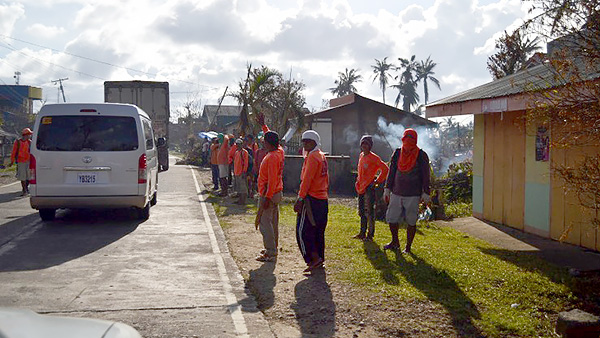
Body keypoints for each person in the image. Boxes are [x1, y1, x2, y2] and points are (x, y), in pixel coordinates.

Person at [383, 128, 431, 254]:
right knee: (392, 218)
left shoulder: (421, 155)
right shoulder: (397, 153)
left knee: (411, 221)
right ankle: (395, 242)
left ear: (415, 141)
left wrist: (426, 192)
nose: (408, 142)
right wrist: (387, 189)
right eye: (406, 139)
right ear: (403, 139)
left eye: (411, 139)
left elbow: (426, 175)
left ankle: (408, 247)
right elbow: (391, 171)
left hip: (413, 194)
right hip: (396, 192)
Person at [293, 130, 329, 273]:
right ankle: (319, 257)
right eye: (304, 141)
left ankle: (313, 259)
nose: (305, 143)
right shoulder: (321, 156)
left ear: (315, 142)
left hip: (311, 199)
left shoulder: (313, 157)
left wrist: (300, 199)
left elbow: (307, 179)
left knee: (302, 231)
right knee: (318, 230)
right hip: (322, 198)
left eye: (308, 141)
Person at [255, 130, 284, 262]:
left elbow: (271, 180)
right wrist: (264, 126)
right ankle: (273, 247)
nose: (263, 143)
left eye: (264, 141)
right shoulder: (279, 151)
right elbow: (272, 135)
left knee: (265, 223)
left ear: (268, 143)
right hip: (276, 192)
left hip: (269, 193)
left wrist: (267, 198)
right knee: (273, 222)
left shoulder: (272, 157)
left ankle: (270, 252)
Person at [354, 135, 389, 241]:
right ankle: (362, 233)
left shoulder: (374, 158)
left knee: (369, 212)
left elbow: (385, 169)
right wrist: (358, 181)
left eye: (367, 144)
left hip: (369, 188)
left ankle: (370, 234)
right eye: (363, 144)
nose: (364, 146)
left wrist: (377, 181)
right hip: (361, 188)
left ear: (370, 146)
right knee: (361, 211)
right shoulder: (361, 156)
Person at [10, 128, 33, 196]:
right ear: (26, 135)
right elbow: (14, 152)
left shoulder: (30, 142)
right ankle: (24, 190)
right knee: (23, 177)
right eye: (29, 134)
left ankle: (26, 188)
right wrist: (12, 161)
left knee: (29, 177)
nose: (30, 136)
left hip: (29, 161)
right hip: (21, 162)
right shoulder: (18, 142)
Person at [233, 138, 249, 204]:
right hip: (236, 172)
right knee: (239, 188)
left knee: (243, 188)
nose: (237, 146)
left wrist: (244, 172)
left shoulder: (244, 152)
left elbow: (246, 163)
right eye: (236, 144)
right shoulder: (236, 152)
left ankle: (243, 201)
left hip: (241, 172)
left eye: (239, 144)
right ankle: (239, 200)